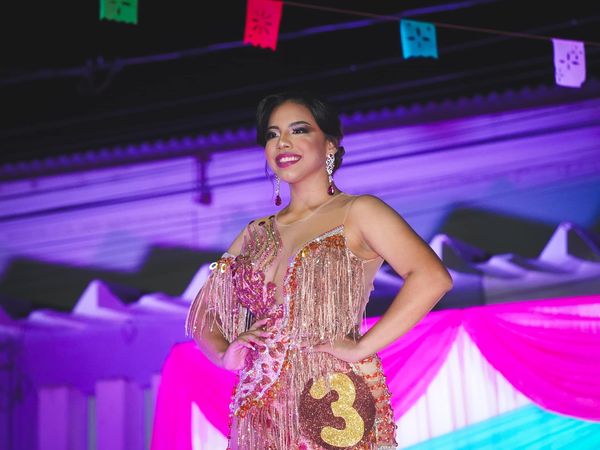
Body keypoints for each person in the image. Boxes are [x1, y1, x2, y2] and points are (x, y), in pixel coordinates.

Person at [185, 92, 453, 450]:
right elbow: (203, 312)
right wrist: (223, 354)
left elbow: (432, 278)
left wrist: (363, 347)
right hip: (259, 410)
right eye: (272, 134)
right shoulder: (255, 233)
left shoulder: (359, 211)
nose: (282, 142)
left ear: (329, 144)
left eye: (298, 130)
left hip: (331, 400)